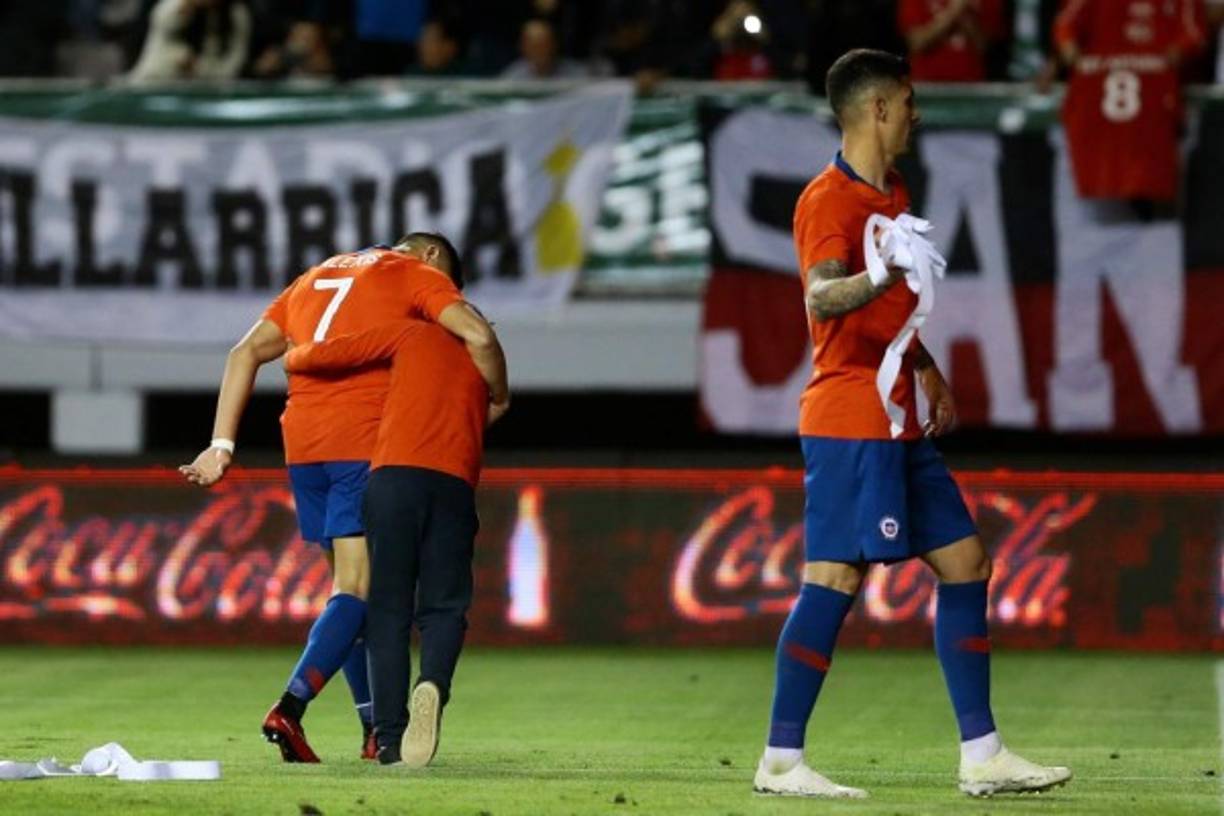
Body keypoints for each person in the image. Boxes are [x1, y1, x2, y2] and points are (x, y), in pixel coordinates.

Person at [751, 49, 1072, 799]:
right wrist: (884, 274)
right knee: (835, 575)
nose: (917, 115)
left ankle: (983, 754)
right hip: (849, 412)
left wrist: (924, 365)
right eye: (910, 101)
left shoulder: (892, 194)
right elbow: (823, 299)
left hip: (893, 410)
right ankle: (781, 760)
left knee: (966, 563)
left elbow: (887, 314)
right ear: (879, 109)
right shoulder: (828, 200)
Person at [179, 233, 506, 763]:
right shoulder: (414, 274)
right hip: (367, 439)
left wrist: (220, 445)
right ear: (428, 256)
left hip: (304, 443)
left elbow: (245, 353)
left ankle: (373, 730)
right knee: (361, 591)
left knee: (349, 593)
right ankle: (291, 704)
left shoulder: (314, 277)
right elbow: (471, 332)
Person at [284, 316, 508, 767]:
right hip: (452, 480)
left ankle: (388, 738)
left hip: (391, 479)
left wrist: (293, 353)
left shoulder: (407, 332)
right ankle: (433, 684)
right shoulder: (480, 351)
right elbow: (498, 405)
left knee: (386, 607)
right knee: (444, 607)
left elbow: (333, 352)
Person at [128, 0, 251, 82]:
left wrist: (200, 69)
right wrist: (188, 6)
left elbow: (233, 64)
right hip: (156, 83)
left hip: (209, 90)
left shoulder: (236, 14)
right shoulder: (173, 6)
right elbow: (163, 22)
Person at [898, 0, 1007, 82]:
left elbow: (985, 47)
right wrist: (953, 11)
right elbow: (917, 43)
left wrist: (964, 14)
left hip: (971, 85)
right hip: (927, 84)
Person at [500, 18, 589, 79]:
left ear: (554, 45)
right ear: (523, 48)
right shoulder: (513, 76)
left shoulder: (576, 74)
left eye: (543, 45)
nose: (539, 52)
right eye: (534, 47)